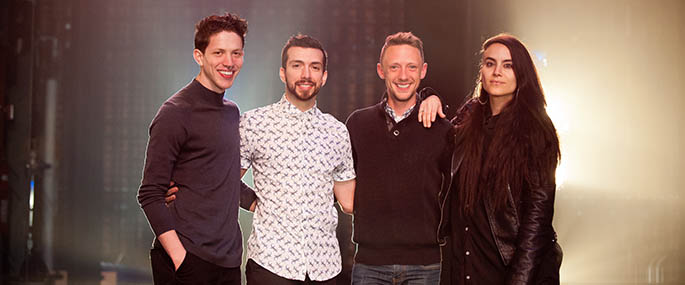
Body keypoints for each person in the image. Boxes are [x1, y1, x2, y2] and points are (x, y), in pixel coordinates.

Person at [440, 33, 563, 284]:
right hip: (465, 266)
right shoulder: (468, 118)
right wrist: (429, 97)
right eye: (489, 63)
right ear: (482, 72)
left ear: (521, 74)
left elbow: (536, 221)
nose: (497, 72)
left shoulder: (536, 129)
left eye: (508, 65)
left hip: (509, 270)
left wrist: (519, 280)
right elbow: (435, 153)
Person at [137, 13, 248, 284]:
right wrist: (181, 259)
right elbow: (150, 194)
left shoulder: (232, 112)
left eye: (236, 53)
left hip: (229, 260)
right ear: (199, 56)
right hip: (188, 259)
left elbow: (221, 179)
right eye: (219, 52)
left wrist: (264, 202)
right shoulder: (175, 113)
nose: (229, 62)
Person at [344, 32, 451, 285]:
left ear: (423, 70)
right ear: (381, 70)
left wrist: (431, 95)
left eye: (411, 67)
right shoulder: (357, 124)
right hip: (369, 265)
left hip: (425, 266)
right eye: (395, 67)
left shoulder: (442, 128)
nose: (403, 76)